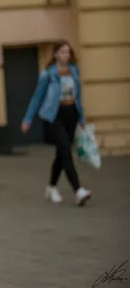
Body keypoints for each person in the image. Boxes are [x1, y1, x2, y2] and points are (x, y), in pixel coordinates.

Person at [21, 40, 92, 206]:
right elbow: (37, 97)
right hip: (53, 116)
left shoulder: (74, 71)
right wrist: (27, 119)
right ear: (55, 54)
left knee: (62, 153)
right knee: (65, 148)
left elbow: (78, 96)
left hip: (71, 114)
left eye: (67, 52)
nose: (65, 56)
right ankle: (78, 190)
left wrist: (81, 117)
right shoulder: (48, 74)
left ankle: (51, 187)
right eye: (62, 52)